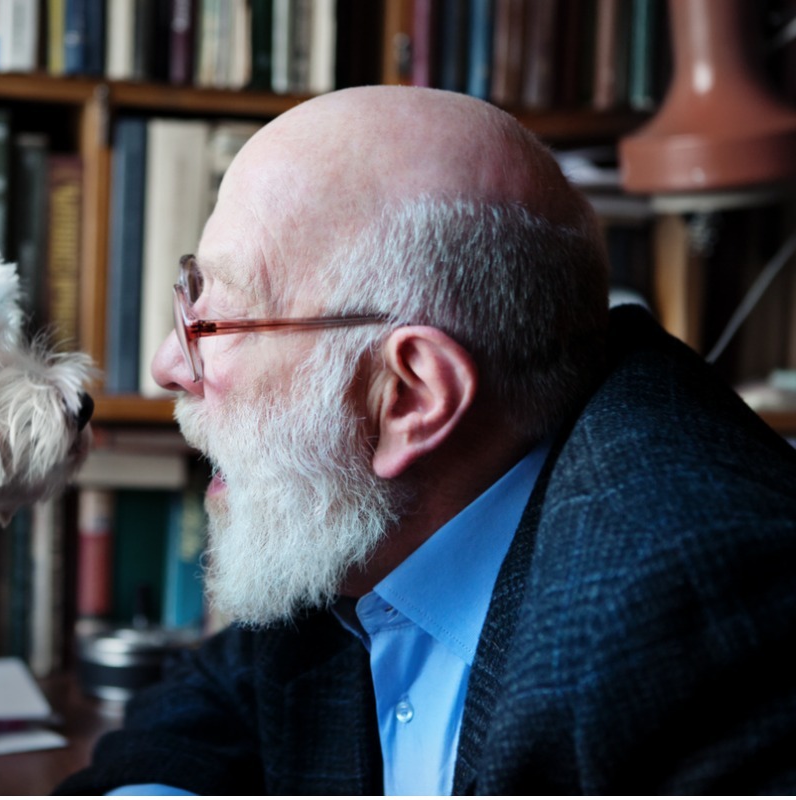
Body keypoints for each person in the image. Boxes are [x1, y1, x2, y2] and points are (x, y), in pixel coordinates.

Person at [56, 86, 796, 794]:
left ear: (409, 397)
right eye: (191, 293)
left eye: (212, 323)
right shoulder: (346, 510)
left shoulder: (700, 616)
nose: (165, 366)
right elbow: (216, 696)